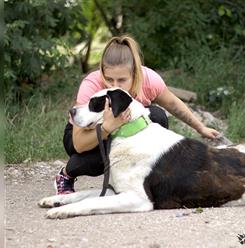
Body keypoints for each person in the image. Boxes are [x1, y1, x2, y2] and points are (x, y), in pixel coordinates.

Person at [56, 34, 220, 195]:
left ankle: (147, 176)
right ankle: (65, 175)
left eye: (121, 80)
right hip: (85, 135)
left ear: (136, 73)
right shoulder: (91, 84)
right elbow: (78, 143)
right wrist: (107, 127)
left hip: (119, 132)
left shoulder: (149, 79)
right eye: (109, 80)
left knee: (156, 117)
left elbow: (173, 104)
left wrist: (201, 128)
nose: (114, 86)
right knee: (97, 156)